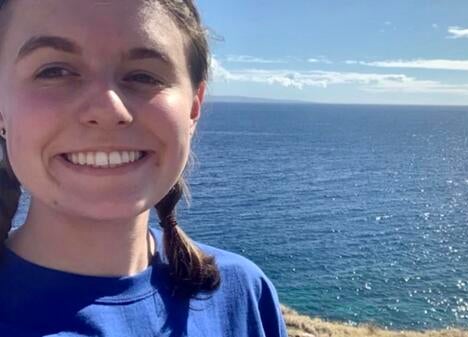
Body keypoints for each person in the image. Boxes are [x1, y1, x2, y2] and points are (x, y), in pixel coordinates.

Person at [0, 0, 288, 336]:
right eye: (54, 71)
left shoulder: (242, 296)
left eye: (143, 75)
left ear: (193, 109)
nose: (108, 109)